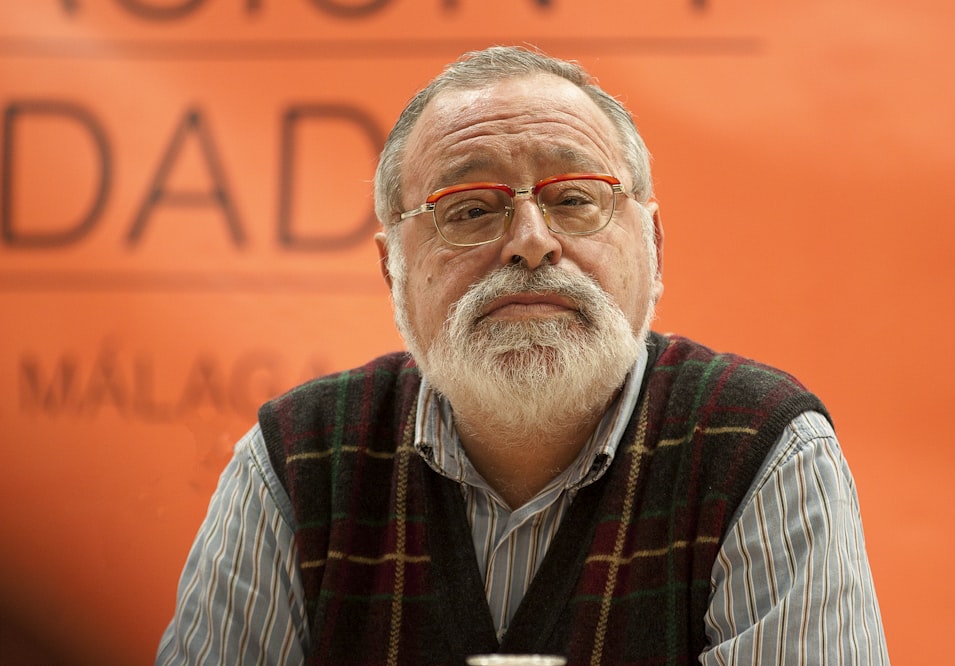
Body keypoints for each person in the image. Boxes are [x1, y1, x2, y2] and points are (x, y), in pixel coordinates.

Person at [157, 45, 889, 665]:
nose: (531, 240)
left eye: (574, 198)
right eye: (471, 210)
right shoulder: (297, 460)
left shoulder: (762, 450)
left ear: (654, 248)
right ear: (394, 271)